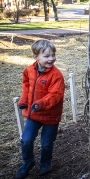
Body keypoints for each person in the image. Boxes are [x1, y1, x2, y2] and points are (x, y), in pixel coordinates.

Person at [16, 39, 65, 179]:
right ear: (35, 57)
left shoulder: (56, 75)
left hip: (50, 116)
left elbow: (56, 95)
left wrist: (40, 104)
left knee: (46, 143)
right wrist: (24, 100)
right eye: (47, 56)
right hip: (34, 114)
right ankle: (28, 161)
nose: (51, 59)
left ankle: (45, 162)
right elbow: (26, 85)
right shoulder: (29, 70)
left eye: (53, 55)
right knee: (26, 140)